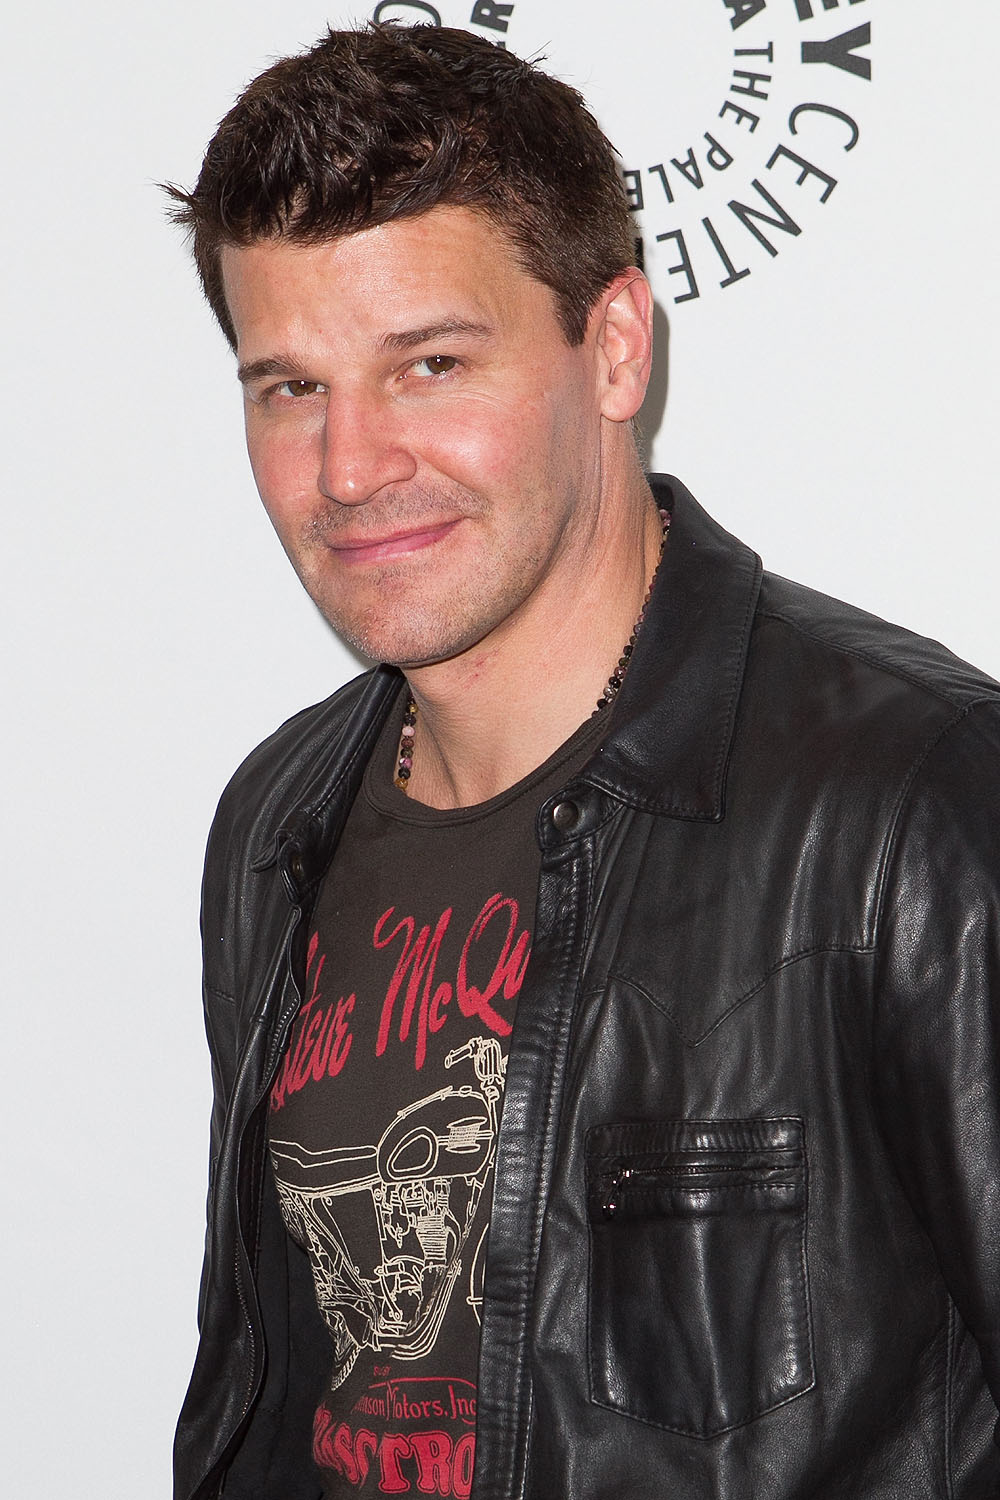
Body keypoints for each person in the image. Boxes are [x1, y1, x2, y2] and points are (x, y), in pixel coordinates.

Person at [168, 22, 1000, 1500]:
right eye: (290, 387)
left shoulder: (909, 797)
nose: (349, 468)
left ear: (614, 348)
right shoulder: (279, 821)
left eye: (429, 365)